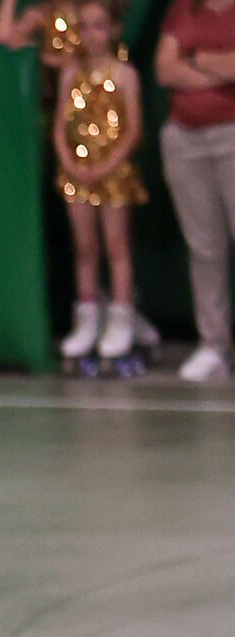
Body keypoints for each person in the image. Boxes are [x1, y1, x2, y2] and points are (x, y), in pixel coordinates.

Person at [50, 0, 157, 364]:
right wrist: (69, 161)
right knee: (85, 247)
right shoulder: (70, 73)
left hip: (113, 175)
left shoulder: (125, 74)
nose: (91, 35)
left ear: (114, 30)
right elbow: (61, 126)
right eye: (85, 26)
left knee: (116, 245)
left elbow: (133, 130)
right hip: (77, 176)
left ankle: (123, 316)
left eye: (99, 26)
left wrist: (106, 165)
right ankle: (88, 317)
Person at [156, 0, 235, 379]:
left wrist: (197, 58)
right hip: (184, 140)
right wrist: (219, 67)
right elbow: (164, 70)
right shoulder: (183, 10)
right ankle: (214, 346)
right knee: (204, 248)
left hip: (232, 136)